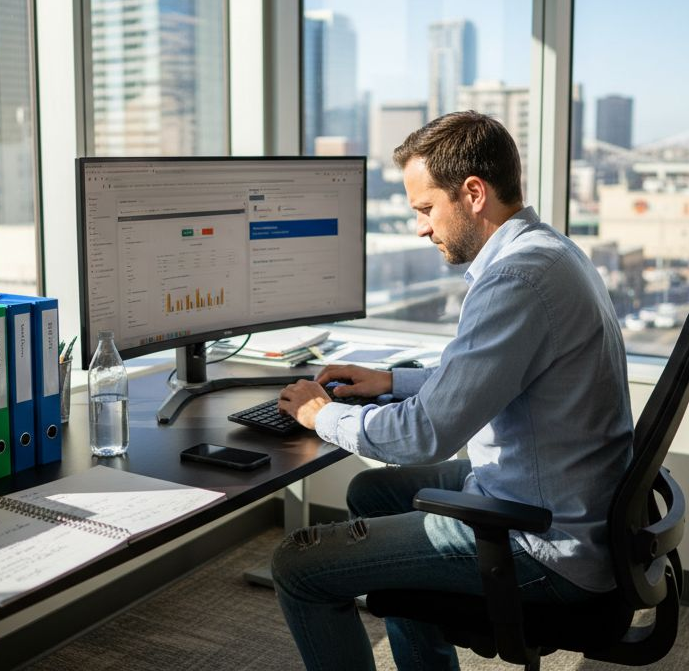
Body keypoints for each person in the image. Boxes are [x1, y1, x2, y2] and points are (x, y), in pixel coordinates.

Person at [271, 111, 634, 671]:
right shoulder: (549, 252)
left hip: (542, 543)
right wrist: (391, 381)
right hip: (557, 503)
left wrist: (322, 416)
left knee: (299, 568)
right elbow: (489, 376)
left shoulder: (517, 279)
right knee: (373, 494)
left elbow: (426, 435)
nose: (420, 227)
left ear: (472, 193)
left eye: (424, 209)